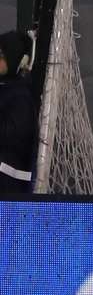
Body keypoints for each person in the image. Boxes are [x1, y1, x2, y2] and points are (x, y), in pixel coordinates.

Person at [0, 30, 36, 194]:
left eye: (1, 55)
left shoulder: (22, 95)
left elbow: (12, 135)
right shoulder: (7, 89)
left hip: (9, 187)